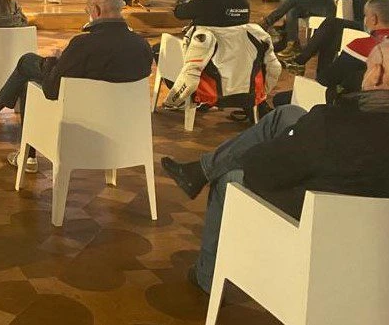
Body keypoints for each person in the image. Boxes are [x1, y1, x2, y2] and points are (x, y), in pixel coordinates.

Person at [162, 40, 389, 294]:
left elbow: (263, 173)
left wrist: (286, 142)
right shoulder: (329, 124)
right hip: (374, 246)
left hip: (315, 228)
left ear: (376, 74)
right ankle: (202, 169)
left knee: (228, 178)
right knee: (287, 114)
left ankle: (207, 275)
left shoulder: (330, 124)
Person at [0, 0, 153, 172]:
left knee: (29, 76)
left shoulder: (83, 45)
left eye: (87, 8)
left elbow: (51, 90)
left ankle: (25, 151)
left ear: (96, 10)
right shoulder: (142, 47)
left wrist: (55, 61)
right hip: (124, 131)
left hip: (78, 123)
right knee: (29, 64)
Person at [274, 0, 389, 102]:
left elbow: (327, 79)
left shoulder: (361, 46)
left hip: (358, 104)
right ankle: (299, 61)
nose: (364, 20)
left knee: (279, 99)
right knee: (333, 25)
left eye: (366, 16)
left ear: (373, 19)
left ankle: (299, 62)